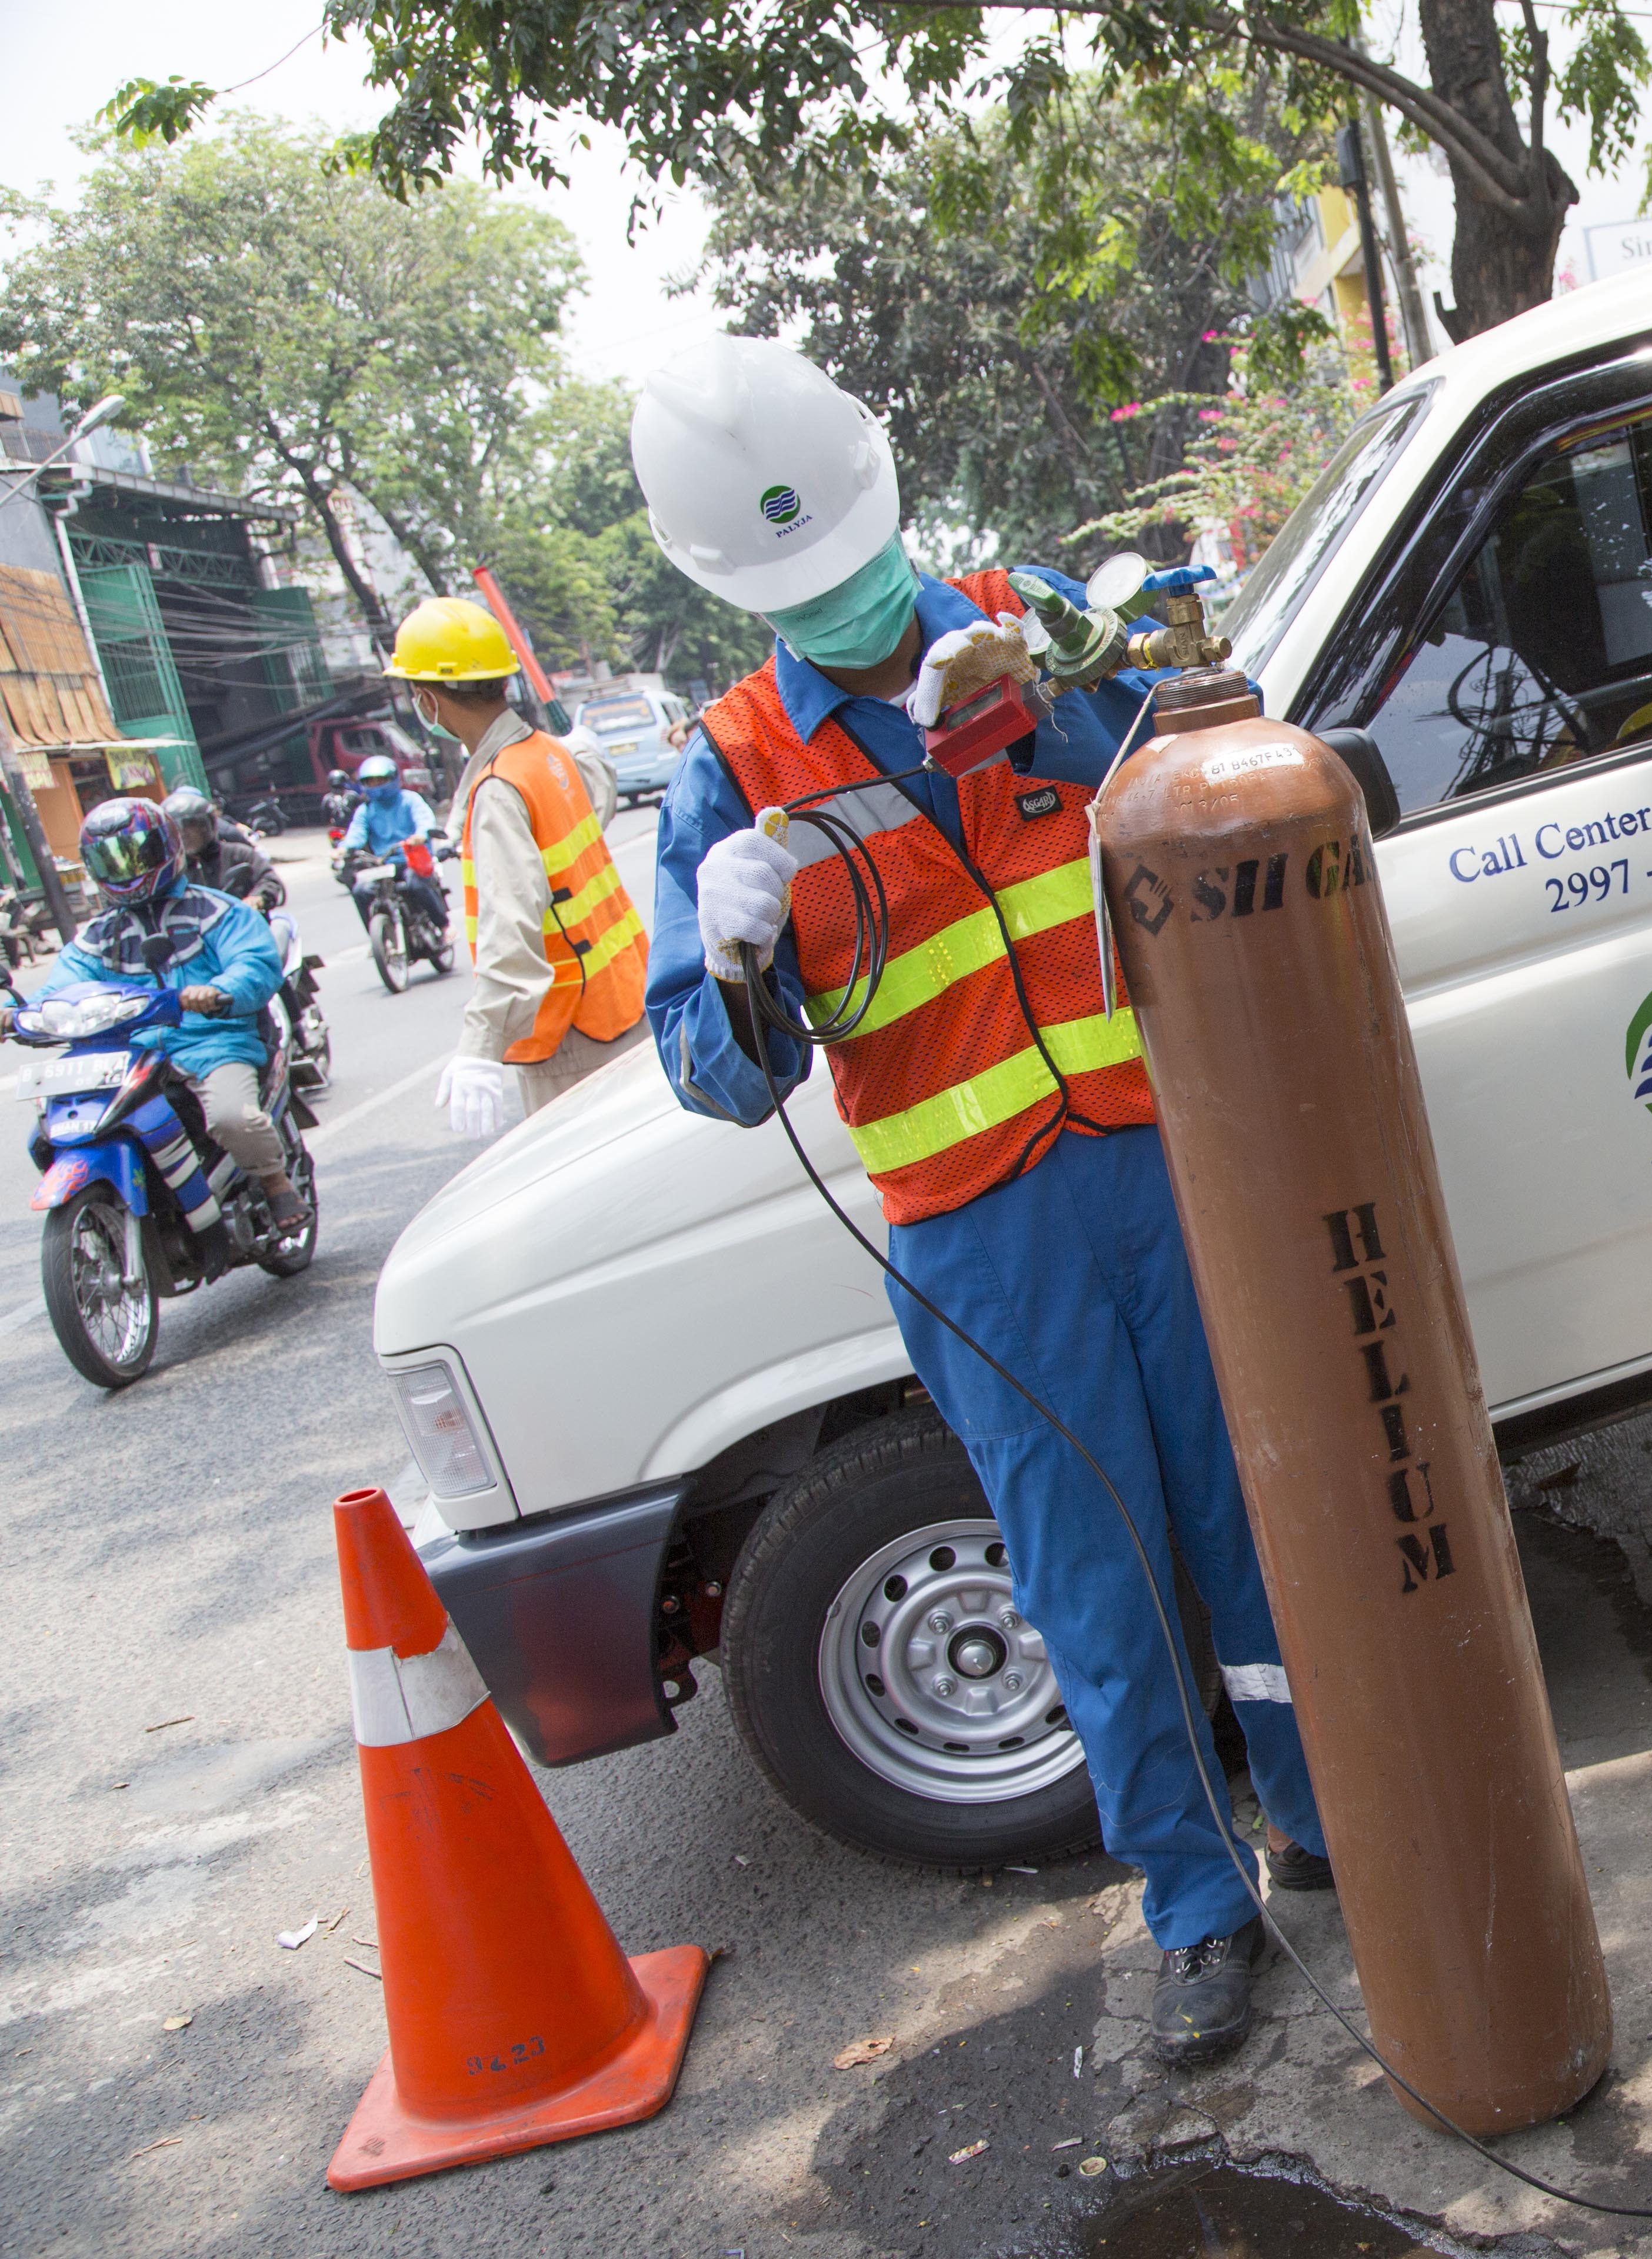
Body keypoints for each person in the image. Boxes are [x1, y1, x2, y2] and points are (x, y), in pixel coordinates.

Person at [627, 336, 1325, 2066]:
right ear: (741, 589)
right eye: (816, 589)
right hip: (979, 1242)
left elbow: (1227, 748)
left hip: (1170, 1163)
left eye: (866, 556)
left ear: (890, 503)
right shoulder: (734, 769)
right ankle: (1194, 1903)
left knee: (1258, 1517)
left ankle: (1326, 1809)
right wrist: (734, 955)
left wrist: (1090, 670)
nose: (860, 606)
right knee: (1096, 1580)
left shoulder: (1032, 627)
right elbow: (721, 1082)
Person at [379, 598, 652, 1138]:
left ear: (429, 700)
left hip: (572, 1033)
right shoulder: (547, 755)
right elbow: (593, 808)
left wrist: (480, 1047)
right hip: (624, 1004)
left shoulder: (500, 788)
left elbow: (512, 929)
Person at [42, 798, 305, 1230]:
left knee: (230, 1117)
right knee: (58, 1130)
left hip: (213, 1042)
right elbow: (61, 986)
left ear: (166, 847)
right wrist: (15, 1012)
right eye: (109, 859)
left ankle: (275, 1183)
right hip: (131, 1055)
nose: (125, 868)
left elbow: (254, 964)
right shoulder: (98, 935)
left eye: (136, 853)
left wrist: (219, 991)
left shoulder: (218, 910)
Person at [336, 754, 447, 939]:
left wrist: (420, 835)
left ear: (393, 779)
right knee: (361, 890)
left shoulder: (410, 800)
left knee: (416, 884)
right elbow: (357, 833)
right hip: (384, 864)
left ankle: (444, 926)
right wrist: (345, 848)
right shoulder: (366, 810)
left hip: (412, 861)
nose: (376, 785)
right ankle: (378, 938)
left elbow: (424, 819)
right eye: (371, 782)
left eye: (381, 780)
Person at [162, 788, 281, 910]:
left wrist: (257, 899)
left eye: (190, 826)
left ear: (207, 825)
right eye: (176, 830)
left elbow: (269, 879)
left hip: (241, 924)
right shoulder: (172, 869)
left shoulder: (239, 854)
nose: (183, 834)